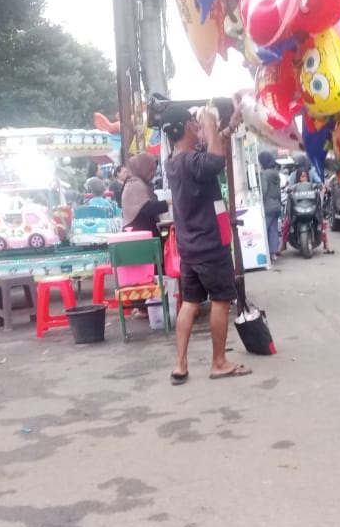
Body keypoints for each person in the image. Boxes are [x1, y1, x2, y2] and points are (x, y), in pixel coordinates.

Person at [162, 104, 252, 384]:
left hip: (190, 247)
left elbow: (208, 152)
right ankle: (219, 362)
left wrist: (225, 128)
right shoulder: (194, 162)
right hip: (210, 245)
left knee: (190, 302)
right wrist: (210, 120)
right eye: (194, 122)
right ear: (189, 126)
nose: (198, 126)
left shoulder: (175, 161)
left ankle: (180, 364)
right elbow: (213, 159)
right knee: (221, 300)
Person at [121, 153, 168, 237]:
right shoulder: (135, 184)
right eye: (151, 170)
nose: (153, 173)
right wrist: (168, 203)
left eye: (154, 170)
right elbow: (146, 208)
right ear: (143, 169)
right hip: (139, 235)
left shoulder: (137, 182)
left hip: (141, 233)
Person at [257, 151, 283, 263]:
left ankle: (265, 253)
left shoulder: (264, 174)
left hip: (267, 206)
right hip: (276, 205)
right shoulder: (276, 173)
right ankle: (273, 254)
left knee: (264, 229)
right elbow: (279, 191)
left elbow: (263, 190)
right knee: (273, 230)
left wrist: (258, 199)